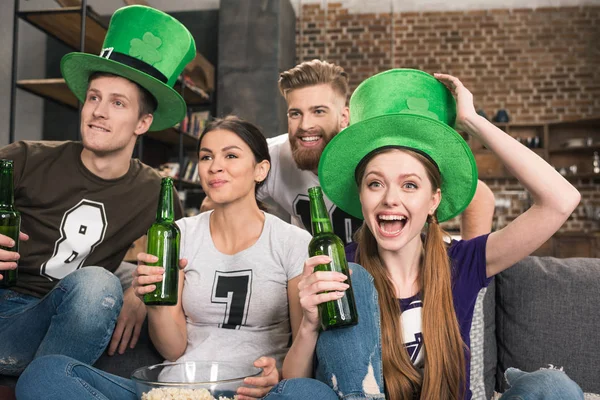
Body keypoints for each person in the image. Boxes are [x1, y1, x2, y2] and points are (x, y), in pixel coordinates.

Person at [270, 69, 583, 399]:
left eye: (409, 185)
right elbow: (295, 383)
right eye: (375, 183)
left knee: (553, 386)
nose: (391, 198)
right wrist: (308, 324)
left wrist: (473, 122)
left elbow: (561, 201)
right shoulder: (339, 269)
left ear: (433, 200)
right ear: (360, 195)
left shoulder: (465, 261)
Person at [16, 116, 313, 400]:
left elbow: (300, 365)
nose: (214, 167)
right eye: (206, 157)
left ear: (260, 170)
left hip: (245, 392)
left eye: (231, 156)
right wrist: (153, 300)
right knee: (44, 374)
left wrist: (280, 378)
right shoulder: (178, 234)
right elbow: (173, 349)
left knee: (309, 394)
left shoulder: (293, 242)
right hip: (174, 390)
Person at [0, 5, 195, 376]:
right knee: (97, 284)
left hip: (76, 319)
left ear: (143, 122)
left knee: (102, 295)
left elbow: (183, 260)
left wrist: (140, 295)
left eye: (117, 103)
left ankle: (44, 381)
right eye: (93, 97)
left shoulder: (156, 191)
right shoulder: (25, 158)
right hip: (7, 314)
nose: (98, 111)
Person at [259, 59, 495, 247]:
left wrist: (468, 274)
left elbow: (479, 196)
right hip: (319, 284)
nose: (305, 125)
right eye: (295, 113)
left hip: (385, 275)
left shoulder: (372, 152)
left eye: (319, 111)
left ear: (344, 118)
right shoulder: (273, 157)